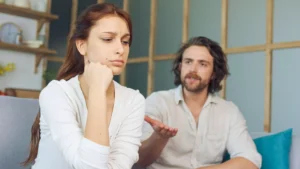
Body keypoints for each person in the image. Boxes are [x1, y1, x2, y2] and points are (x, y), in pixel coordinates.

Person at [22, 3, 145, 169]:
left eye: (125, 41)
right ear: (82, 45)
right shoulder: (56, 93)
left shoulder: (133, 100)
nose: (120, 49)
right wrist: (97, 91)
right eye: (108, 39)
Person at [137, 36, 262, 169]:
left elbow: (250, 160)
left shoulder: (229, 111)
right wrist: (158, 138)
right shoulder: (158, 102)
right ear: (180, 67)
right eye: (188, 62)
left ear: (214, 73)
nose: (193, 69)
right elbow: (138, 162)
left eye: (202, 64)